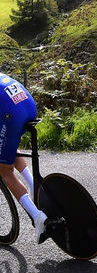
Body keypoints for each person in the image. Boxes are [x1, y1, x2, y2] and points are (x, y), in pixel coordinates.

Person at [0, 73, 46, 242]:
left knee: (5, 171)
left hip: (11, 114)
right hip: (28, 105)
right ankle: (34, 185)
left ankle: (38, 217)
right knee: (8, 146)